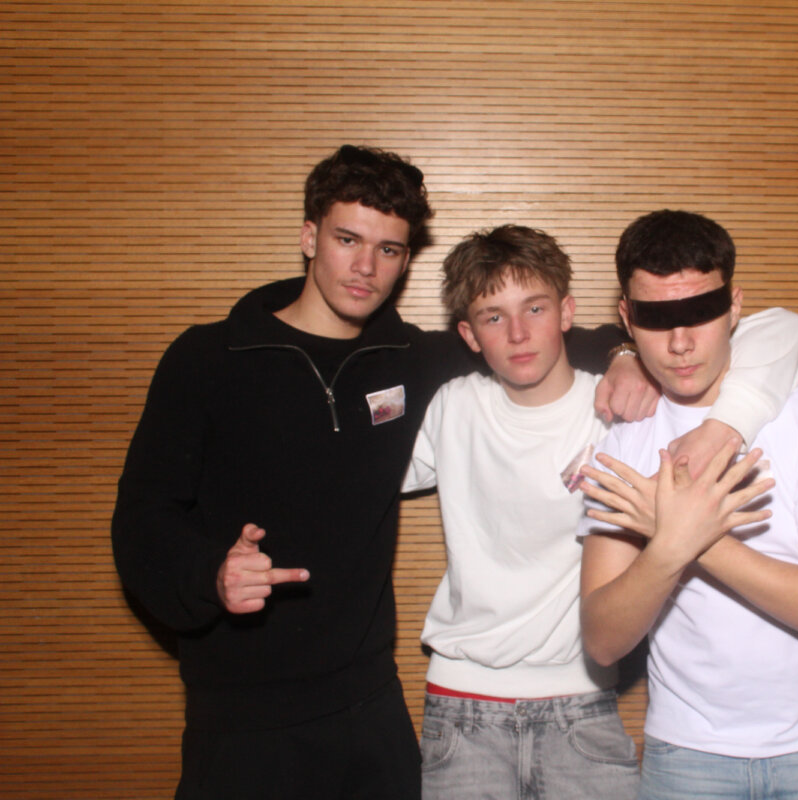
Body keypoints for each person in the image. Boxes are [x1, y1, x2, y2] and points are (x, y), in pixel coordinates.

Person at [110, 145, 647, 800]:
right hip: (243, 714)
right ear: (309, 237)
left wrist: (625, 351)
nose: (366, 267)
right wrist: (208, 574)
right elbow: (143, 519)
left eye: (388, 249)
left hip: (371, 710)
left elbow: (529, 336)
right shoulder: (208, 358)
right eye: (347, 239)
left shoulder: (409, 360)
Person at [401, 224, 798, 799]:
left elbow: (783, 328)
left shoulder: (622, 410)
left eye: (535, 308)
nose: (518, 333)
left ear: (567, 311)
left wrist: (634, 360)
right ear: (468, 334)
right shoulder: (452, 407)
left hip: (583, 705)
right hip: (462, 704)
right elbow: (352, 474)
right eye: (493, 317)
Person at [579, 210, 798, 800]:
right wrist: (671, 547)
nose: (680, 343)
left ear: (735, 306)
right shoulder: (627, 439)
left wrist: (683, 535)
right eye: (656, 318)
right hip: (686, 755)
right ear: (627, 317)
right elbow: (602, 639)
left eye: (700, 312)